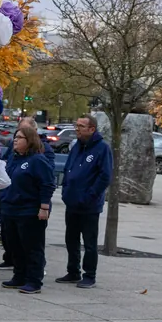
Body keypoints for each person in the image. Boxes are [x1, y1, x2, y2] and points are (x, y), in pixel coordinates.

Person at [56, 114, 113, 289]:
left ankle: (90, 275)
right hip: (72, 202)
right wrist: (65, 190)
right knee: (71, 239)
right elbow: (68, 169)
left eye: (81, 126)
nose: (77, 129)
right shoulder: (77, 146)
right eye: (77, 125)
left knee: (89, 242)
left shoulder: (102, 149)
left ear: (91, 129)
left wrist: (90, 195)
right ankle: (73, 271)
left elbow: (105, 176)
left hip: (89, 205)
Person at [0, 125, 54, 294]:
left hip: (29, 211)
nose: (15, 139)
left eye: (20, 137)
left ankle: (34, 280)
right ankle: (19, 276)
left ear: (29, 140)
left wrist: (44, 207)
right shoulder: (15, 159)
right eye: (15, 137)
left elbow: (47, 183)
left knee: (32, 247)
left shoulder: (37, 160)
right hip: (10, 209)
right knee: (14, 246)